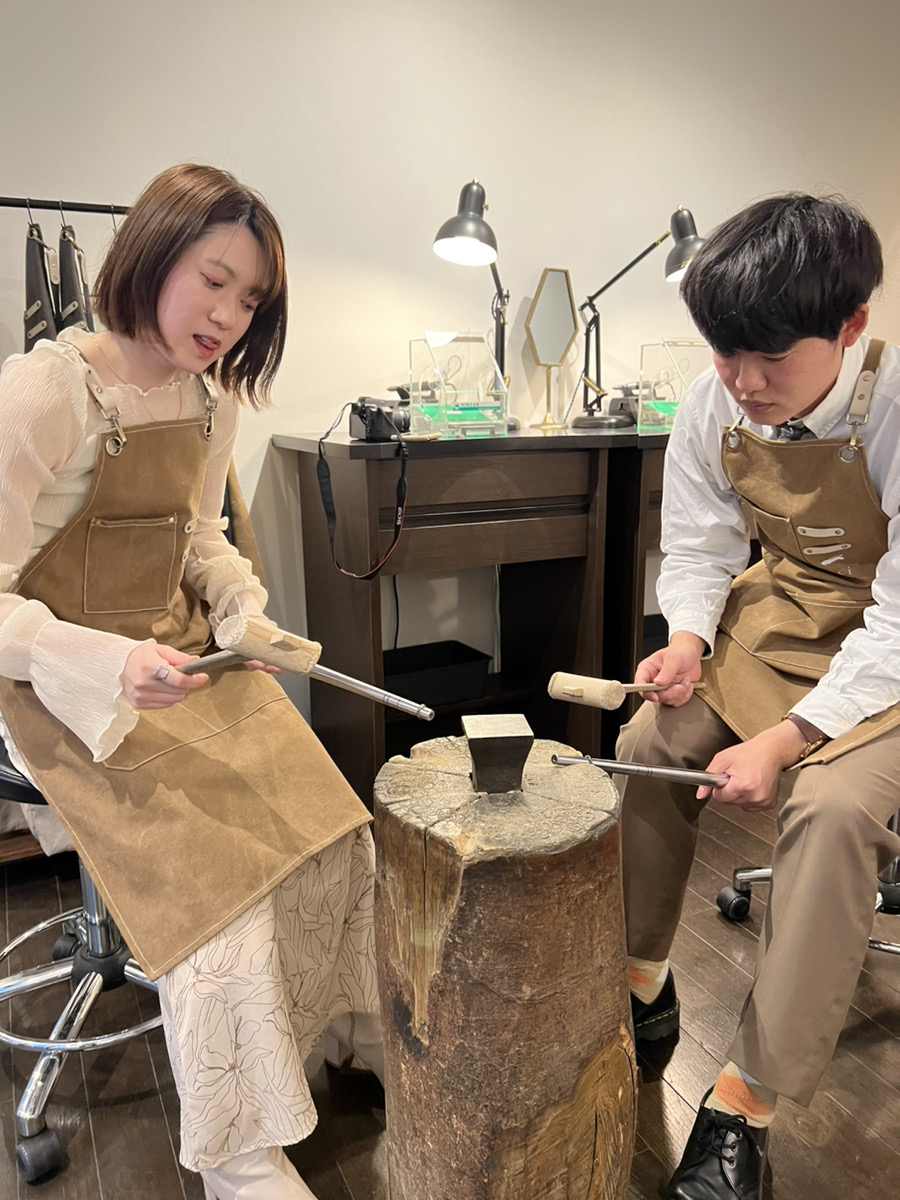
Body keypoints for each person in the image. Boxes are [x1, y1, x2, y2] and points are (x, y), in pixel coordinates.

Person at [0, 164, 383, 1200]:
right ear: (151, 253)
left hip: (179, 659)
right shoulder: (43, 392)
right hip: (55, 681)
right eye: (213, 281)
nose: (227, 317)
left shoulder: (211, 402)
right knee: (219, 885)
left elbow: (199, 539)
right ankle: (237, 1153)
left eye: (250, 299)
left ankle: (342, 1035)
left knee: (329, 820)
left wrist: (241, 611)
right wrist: (104, 662)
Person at [616, 194, 900, 1200]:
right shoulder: (718, 398)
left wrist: (786, 741)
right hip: (784, 612)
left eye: (770, 358)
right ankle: (640, 982)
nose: (742, 382)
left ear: (851, 326)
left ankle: (745, 1103)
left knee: (831, 810)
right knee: (650, 744)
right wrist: (687, 640)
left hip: (891, 644)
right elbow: (700, 542)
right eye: (725, 353)